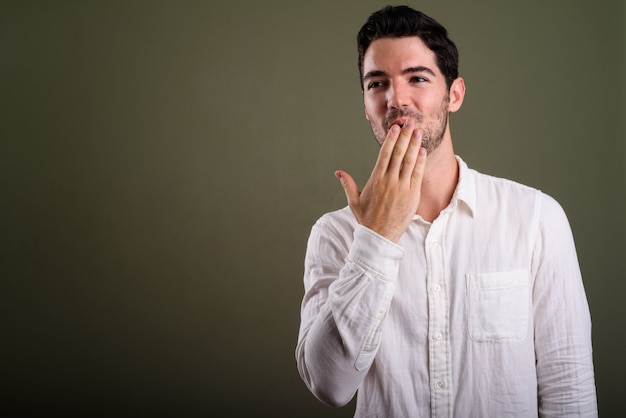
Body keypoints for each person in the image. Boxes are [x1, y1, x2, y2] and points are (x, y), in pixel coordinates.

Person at [295, 5, 597, 418]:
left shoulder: (536, 220)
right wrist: (376, 240)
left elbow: (570, 392)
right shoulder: (334, 234)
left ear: (453, 95)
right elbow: (330, 386)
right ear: (366, 103)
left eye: (417, 78)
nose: (395, 99)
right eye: (377, 83)